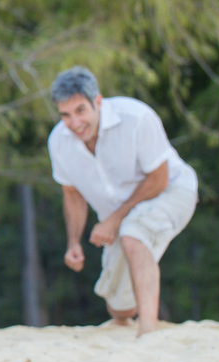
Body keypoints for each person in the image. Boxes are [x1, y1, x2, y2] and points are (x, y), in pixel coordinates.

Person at [48, 66, 198, 337]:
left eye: (80, 110)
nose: (74, 123)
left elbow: (159, 179)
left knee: (133, 235)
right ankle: (129, 316)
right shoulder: (59, 142)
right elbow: (72, 194)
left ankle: (148, 332)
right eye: (65, 115)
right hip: (121, 215)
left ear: (98, 101)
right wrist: (73, 242)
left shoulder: (136, 117)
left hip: (173, 191)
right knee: (119, 308)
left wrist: (115, 220)